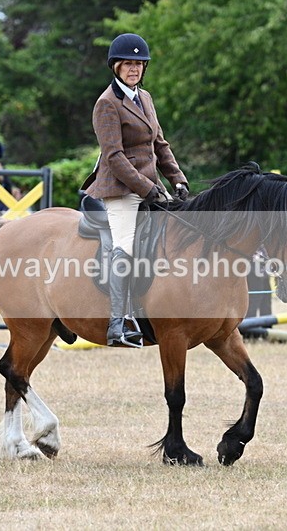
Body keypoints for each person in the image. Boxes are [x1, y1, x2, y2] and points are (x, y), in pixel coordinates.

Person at [82, 33, 189, 347]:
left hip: (150, 186)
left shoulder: (146, 98)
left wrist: (178, 180)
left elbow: (160, 145)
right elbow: (114, 157)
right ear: (116, 67)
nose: (134, 69)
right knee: (125, 246)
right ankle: (118, 322)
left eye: (139, 64)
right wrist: (146, 189)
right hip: (120, 188)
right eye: (128, 64)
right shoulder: (106, 104)